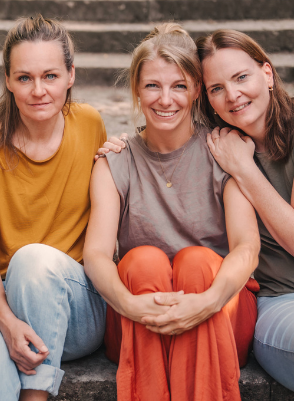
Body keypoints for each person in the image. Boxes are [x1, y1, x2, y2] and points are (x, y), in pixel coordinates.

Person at [84, 23, 260, 401]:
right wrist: (129, 304)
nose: (166, 100)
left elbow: (247, 248)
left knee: (197, 262)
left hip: (219, 309)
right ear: (136, 90)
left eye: (179, 85)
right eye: (153, 85)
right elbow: (96, 255)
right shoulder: (115, 162)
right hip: (138, 313)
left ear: (196, 89)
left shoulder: (223, 151)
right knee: (141, 262)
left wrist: (207, 301)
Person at [0, 15, 108, 401]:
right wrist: (7, 322)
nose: (38, 90)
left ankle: (35, 395)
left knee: (33, 259)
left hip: (74, 304)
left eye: (50, 76)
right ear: (8, 80)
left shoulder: (89, 124)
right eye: (24, 78)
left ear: (71, 75)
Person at [196, 29, 294, 391]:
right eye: (216, 88)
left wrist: (244, 169)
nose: (233, 95)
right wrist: (120, 147)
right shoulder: (213, 143)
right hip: (279, 301)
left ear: (267, 74)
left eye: (241, 77)